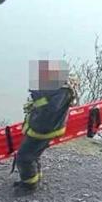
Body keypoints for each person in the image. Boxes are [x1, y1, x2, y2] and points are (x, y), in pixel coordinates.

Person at [14, 60, 78, 193]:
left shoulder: (62, 91)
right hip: (41, 126)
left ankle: (29, 186)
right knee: (33, 154)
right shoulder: (57, 89)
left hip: (44, 129)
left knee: (24, 157)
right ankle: (32, 178)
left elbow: (50, 109)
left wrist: (37, 97)